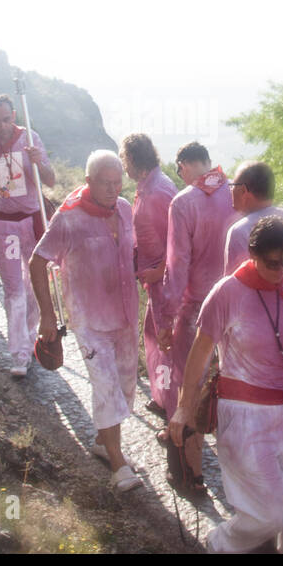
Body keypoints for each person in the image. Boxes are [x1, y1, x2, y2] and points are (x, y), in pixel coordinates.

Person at [170, 216, 283, 552]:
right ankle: (220, 543)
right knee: (269, 515)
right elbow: (200, 355)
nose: (281, 271)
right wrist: (182, 409)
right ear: (253, 254)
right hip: (245, 418)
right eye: (272, 263)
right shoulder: (226, 293)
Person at [31, 151, 143, 492]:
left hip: (125, 316)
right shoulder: (69, 218)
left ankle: (101, 443)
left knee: (125, 388)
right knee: (106, 386)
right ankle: (118, 464)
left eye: (117, 183)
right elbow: (38, 262)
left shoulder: (124, 209)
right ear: (88, 181)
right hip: (90, 319)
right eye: (104, 183)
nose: (112, 189)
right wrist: (47, 316)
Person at [158, 141, 238, 492]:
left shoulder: (184, 202)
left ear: (185, 165)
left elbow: (177, 268)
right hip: (239, 307)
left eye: (179, 170)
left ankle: (191, 474)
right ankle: (242, 480)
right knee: (234, 389)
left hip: (198, 309)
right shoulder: (238, 192)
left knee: (187, 388)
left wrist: (165, 318)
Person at [0, 95, 55, 376]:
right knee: (14, 289)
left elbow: (50, 180)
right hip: (2, 224)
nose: (2, 126)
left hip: (31, 223)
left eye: (7, 119)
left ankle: (30, 337)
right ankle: (18, 354)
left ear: (14, 115)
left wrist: (38, 161)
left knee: (32, 287)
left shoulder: (29, 138)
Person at [119, 133, 176, 421]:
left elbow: (177, 241)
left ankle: (170, 405)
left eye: (124, 159)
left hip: (164, 280)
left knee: (164, 341)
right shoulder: (149, 184)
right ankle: (162, 397)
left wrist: (160, 270)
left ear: (133, 159)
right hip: (155, 276)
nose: (123, 166)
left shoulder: (156, 192)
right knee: (154, 336)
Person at [223, 161, 283, 274]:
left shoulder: (240, 231)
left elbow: (235, 284)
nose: (231, 190)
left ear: (243, 190)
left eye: (232, 186)